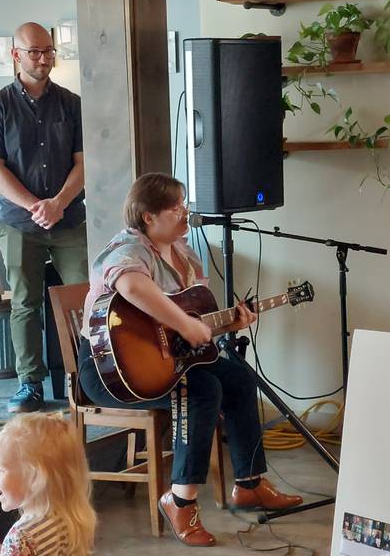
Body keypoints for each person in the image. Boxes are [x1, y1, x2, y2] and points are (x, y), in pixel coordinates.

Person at [78, 173, 302, 547]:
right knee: (201, 389)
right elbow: (131, 286)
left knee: (239, 378)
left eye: (184, 204)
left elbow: (189, 328)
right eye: (176, 207)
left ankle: (248, 483)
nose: (185, 213)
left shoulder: (185, 254)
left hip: (166, 362)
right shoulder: (128, 248)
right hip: (110, 372)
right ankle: (180, 500)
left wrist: (230, 320)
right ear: (148, 216)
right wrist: (182, 322)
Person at [0, 22, 88, 413]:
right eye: (35, 52)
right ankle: (30, 385)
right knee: (25, 302)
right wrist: (34, 206)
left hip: (69, 217)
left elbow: (83, 163)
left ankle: (86, 377)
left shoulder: (71, 104)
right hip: (18, 221)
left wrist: (57, 202)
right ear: (16, 55)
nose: (43, 59)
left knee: (85, 296)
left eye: (48, 51)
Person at [0, 413, 96, 556]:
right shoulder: (69, 518)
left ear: (34, 478)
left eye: (0, 469)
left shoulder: (21, 537)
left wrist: (11, 550)